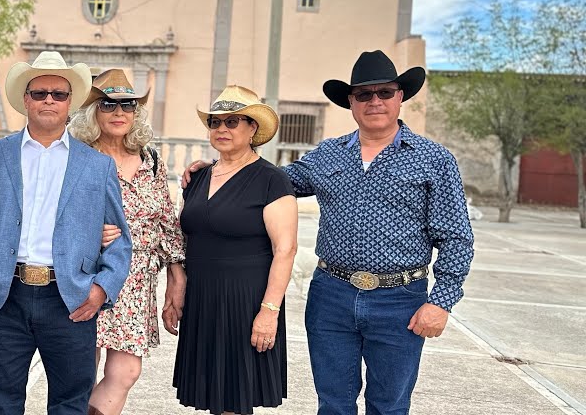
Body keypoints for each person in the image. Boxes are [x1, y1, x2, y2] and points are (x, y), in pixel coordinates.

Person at [185, 52, 476, 415]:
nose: (375, 102)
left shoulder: (433, 159)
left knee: (389, 405)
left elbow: (456, 237)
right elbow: (268, 181)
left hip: (400, 300)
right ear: (350, 102)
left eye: (384, 93)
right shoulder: (328, 155)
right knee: (333, 403)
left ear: (400, 96)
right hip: (332, 296)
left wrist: (441, 301)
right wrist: (217, 170)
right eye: (364, 95)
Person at [0, 50, 132, 415]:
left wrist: (101, 289)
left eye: (59, 94)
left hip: (70, 300)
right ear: (26, 99)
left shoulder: (97, 166)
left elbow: (119, 242)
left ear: (71, 102)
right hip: (5, 297)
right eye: (40, 93)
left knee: (70, 403)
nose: (49, 100)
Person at [172, 85, 297, 415]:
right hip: (203, 296)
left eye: (232, 121)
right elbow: (185, 238)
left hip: (245, 300)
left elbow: (285, 249)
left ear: (252, 128)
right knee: (214, 394)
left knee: (234, 398)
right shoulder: (198, 177)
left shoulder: (272, 179)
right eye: (215, 122)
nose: (222, 129)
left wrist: (269, 311)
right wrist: (177, 287)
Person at [67, 69, 186, 415]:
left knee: (126, 372)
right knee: (80, 373)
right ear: (93, 111)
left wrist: (177, 280)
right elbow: (55, 215)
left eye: (128, 105)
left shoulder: (151, 161)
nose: (120, 113)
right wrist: (88, 233)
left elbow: (167, 223)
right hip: (90, 275)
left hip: (137, 282)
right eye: (108, 104)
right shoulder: (77, 157)